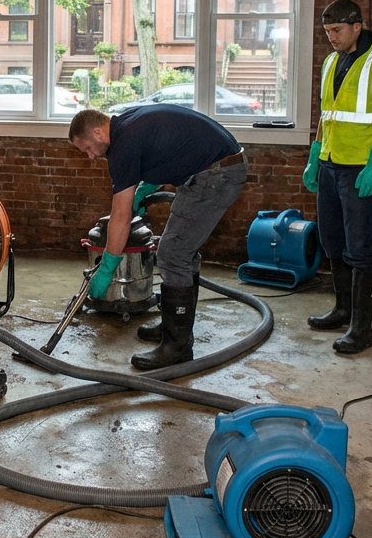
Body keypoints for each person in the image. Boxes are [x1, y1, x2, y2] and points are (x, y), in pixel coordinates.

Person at [69, 104, 246, 370]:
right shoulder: (126, 124)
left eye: (87, 149)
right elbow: (167, 147)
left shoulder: (122, 146)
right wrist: (148, 184)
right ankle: (174, 325)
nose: (91, 156)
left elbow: (120, 216)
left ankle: (178, 346)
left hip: (216, 174)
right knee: (179, 249)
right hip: (216, 165)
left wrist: (107, 267)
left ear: (97, 132)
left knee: (173, 254)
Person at [302, 0, 372, 354]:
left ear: (357, 26)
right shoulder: (331, 61)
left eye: (337, 30)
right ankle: (342, 310)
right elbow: (327, 114)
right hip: (330, 163)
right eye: (327, 31)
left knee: (361, 247)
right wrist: (315, 154)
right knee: (333, 241)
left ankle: (362, 329)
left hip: (360, 167)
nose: (331, 37)